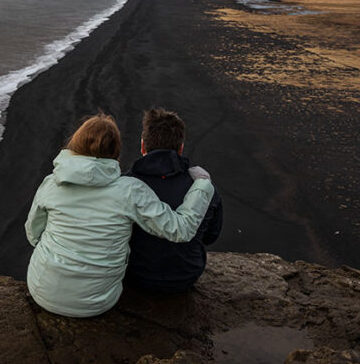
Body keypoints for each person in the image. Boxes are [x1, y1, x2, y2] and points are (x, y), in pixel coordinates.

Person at [24, 113, 215, 317]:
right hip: (96, 303)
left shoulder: (51, 183)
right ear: (116, 151)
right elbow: (181, 230)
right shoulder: (130, 190)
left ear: (75, 144)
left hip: (41, 291)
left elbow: (33, 234)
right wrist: (203, 184)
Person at [125, 108, 223, 293]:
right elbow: (211, 236)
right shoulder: (203, 189)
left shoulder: (123, 186)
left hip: (134, 275)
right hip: (185, 276)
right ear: (180, 148)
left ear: (143, 146)